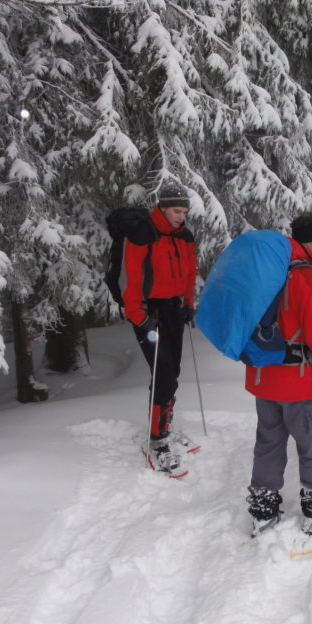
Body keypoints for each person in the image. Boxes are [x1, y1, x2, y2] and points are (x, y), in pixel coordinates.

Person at [245, 212, 312, 535]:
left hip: (265, 377)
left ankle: (263, 510)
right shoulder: (307, 277)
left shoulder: (269, 269)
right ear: (309, 240)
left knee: (268, 443)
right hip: (301, 381)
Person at [123, 184, 198, 477]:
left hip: (172, 310)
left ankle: (163, 426)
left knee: (172, 372)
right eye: (177, 211)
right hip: (148, 312)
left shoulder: (185, 236)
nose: (182, 216)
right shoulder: (143, 235)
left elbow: (190, 271)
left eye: (184, 211)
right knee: (164, 373)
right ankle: (157, 441)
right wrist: (138, 317)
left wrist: (188, 302)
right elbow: (131, 277)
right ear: (163, 208)